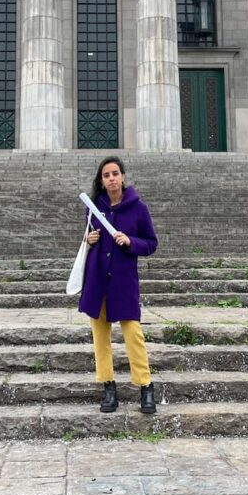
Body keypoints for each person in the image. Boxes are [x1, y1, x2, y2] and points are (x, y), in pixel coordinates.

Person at [78, 156, 159, 414]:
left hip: (123, 280)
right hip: (97, 278)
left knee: (133, 333)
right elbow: (89, 238)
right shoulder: (94, 208)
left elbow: (151, 243)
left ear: (123, 176)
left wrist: (131, 241)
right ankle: (108, 387)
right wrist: (89, 239)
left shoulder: (139, 208)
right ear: (101, 181)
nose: (111, 178)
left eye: (115, 173)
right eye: (106, 175)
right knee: (100, 336)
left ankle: (145, 386)